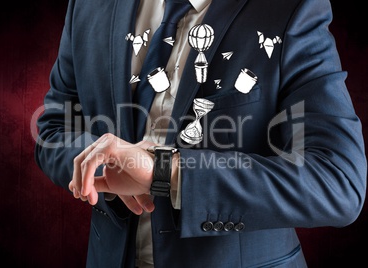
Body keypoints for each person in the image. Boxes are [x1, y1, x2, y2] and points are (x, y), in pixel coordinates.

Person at [34, 0, 367, 267]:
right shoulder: (88, 5)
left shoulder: (290, 9)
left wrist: (166, 171)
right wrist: (107, 167)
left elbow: (338, 180)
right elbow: (54, 127)